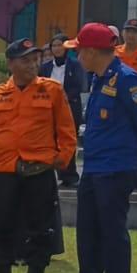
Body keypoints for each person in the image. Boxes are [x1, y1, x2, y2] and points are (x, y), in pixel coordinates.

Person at [63, 23, 137, 273]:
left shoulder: (127, 78)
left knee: (112, 230)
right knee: (87, 228)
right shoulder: (98, 78)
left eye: (79, 51)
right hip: (93, 166)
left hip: (116, 167)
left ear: (91, 51)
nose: (77, 57)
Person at [0, 39, 76, 273]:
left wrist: (61, 159)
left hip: (38, 168)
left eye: (35, 59)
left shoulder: (51, 90)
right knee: (1, 224)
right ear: (10, 64)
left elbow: (66, 130)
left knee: (39, 225)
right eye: (25, 60)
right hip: (5, 169)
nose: (32, 65)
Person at [40, 34, 86, 187]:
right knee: (50, 140)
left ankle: (70, 174)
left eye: (60, 45)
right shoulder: (45, 67)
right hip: (48, 108)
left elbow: (78, 86)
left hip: (70, 106)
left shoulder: (75, 65)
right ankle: (55, 173)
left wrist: (62, 98)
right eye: (54, 45)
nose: (57, 49)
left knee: (68, 141)